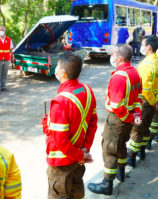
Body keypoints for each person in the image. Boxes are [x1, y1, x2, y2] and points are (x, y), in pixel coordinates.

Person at [88, 44, 142, 196]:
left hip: (118, 119)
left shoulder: (119, 76)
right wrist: (136, 115)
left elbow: (117, 105)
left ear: (119, 58)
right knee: (121, 145)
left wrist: (131, 117)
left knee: (109, 149)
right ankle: (121, 172)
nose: (111, 56)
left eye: (113, 54)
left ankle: (107, 184)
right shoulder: (135, 72)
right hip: (127, 117)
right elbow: (138, 98)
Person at [41, 53, 98, 199]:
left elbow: (60, 141)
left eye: (57, 67)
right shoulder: (87, 90)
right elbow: (92, 122)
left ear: (63, 73)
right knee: (77, 193)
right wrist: (84, 149)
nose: (56, 69)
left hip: (62, 163)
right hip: (78, 158)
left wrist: (80, 155)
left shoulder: (60, 101)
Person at [127, 35, 158, 167]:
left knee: (137, 130)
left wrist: (153, 102)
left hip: (144, 101)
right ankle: (141, 151)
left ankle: (131, 156)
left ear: (148, 47)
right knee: (146, 127)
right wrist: (157, 101)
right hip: (154, 100)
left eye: (142, 45)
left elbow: (145, 89)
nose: (141, 47)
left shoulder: (146, 65)